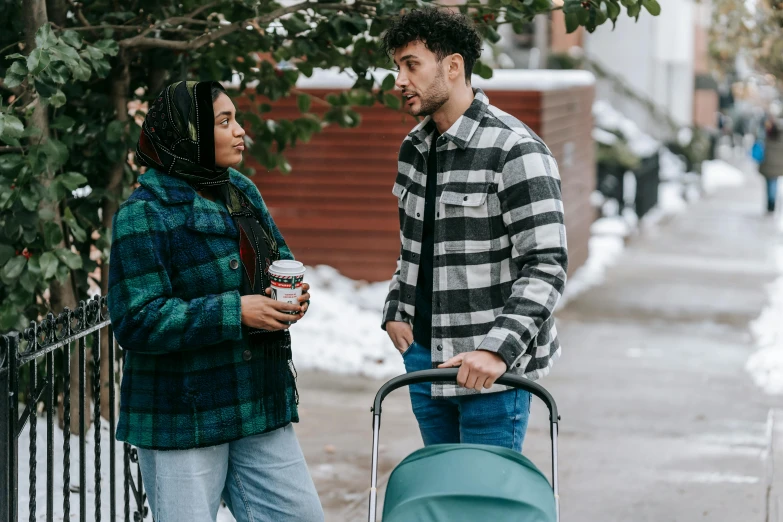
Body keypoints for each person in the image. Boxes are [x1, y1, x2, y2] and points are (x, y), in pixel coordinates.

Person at [108, 81, 324, 522]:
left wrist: (291, 298)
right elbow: (136, 320)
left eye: (236, 119)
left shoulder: (239, 190)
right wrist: (237, 311)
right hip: (182, 414)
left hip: (257, 402)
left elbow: (279, 260)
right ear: (189, 135)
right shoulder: (143, 214)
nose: (240, 131)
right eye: (224, 122)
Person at [380, 8, 568, 453]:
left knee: (486, 501)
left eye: (411, 64)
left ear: (453, 66)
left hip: (490, 371)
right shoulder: (414, 147)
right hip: (426, 362)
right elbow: (414, 247)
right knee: (444, 495)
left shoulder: (514, 148)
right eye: (397, 67)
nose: (399, 80)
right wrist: (395, 308)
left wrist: (497, 351)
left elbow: (547, 266)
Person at [760, 116, 782, 213]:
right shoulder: (780, 139)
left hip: (768, 164)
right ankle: (772, 203)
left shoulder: (767, 137)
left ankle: (770, 203)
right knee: (774, 183)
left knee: (769, 184)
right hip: (777, 165)